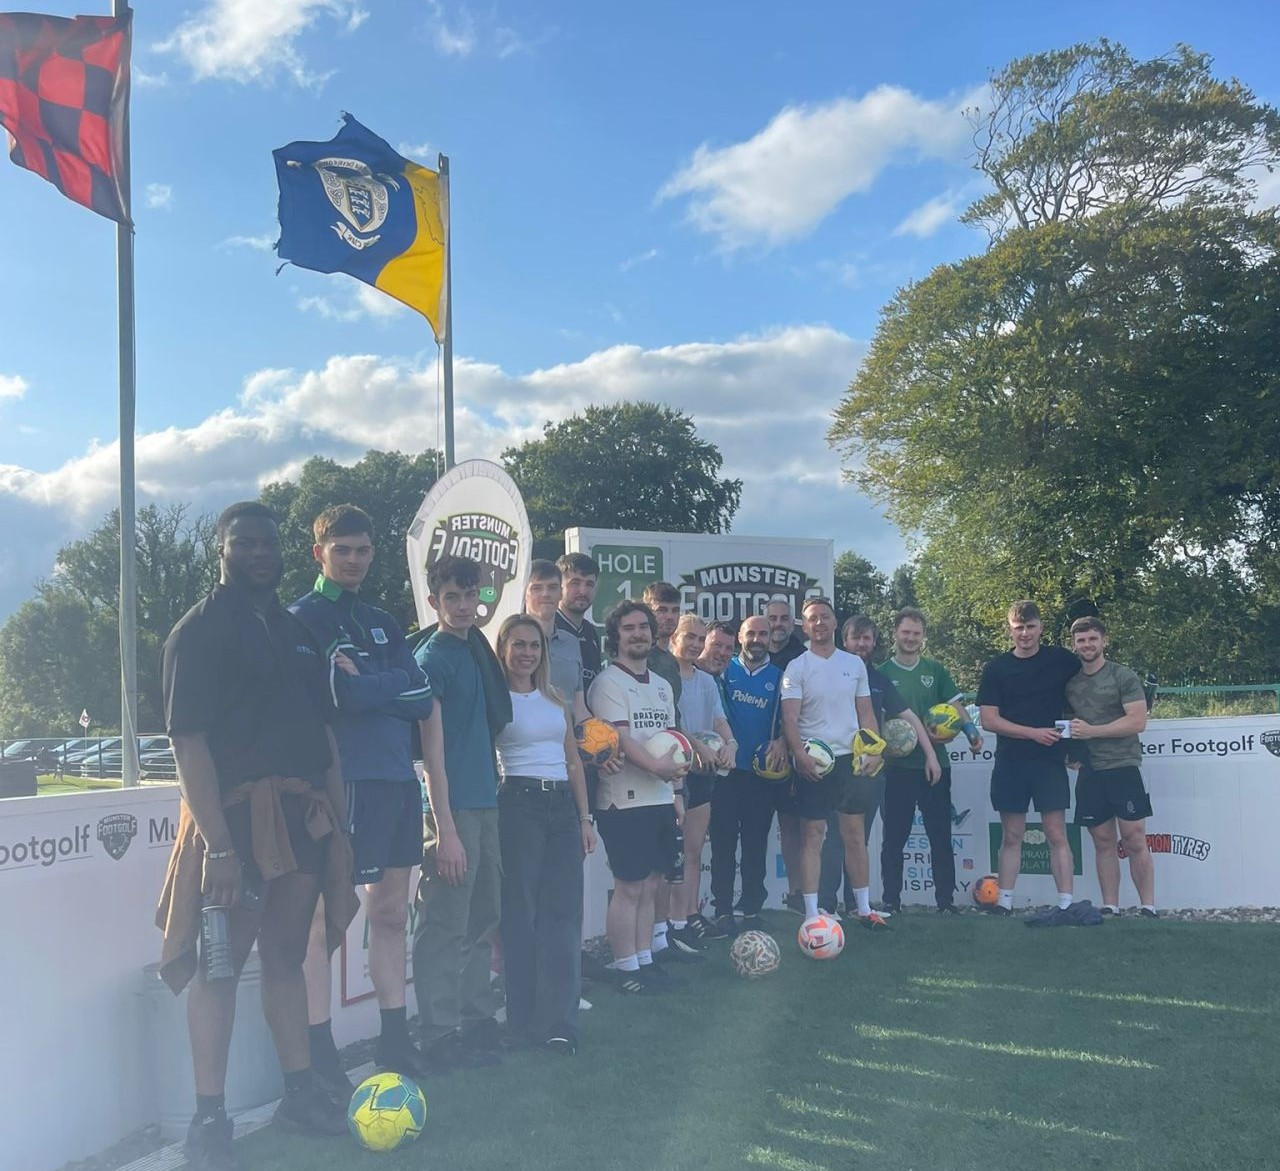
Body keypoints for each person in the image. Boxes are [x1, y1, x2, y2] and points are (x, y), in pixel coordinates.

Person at [155, 502, 357, 1171]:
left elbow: (324, 734)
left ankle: (299, 1094)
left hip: (304, 816)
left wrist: (340, 822)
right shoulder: (197, 631)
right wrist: (218, 845)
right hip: (234, 821)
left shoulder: (297, 632)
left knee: (287, 954)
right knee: (221, 966)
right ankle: (209, 1118)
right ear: (221, 549)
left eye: (268, 542)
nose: (259, 553)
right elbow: (188, 743)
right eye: (244, 542)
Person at [289, 506, 440, 1092]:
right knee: (324, 920)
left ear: (374, 553)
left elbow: (422, 697)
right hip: (342, 781)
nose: (354, 560)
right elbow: (338, 697)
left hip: (398, 780)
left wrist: (370, 684)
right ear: (319, 553)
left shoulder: (382, 621)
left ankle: (394, 1041)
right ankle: (319, 1054)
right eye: (342, 550)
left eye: (362, 550)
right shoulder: (304, 618)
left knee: (391, 913)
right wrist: (388, 685)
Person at [411, 555, 508, 1069]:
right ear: (434, 601)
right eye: (453, 597)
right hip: (452, 809)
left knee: (482, 916)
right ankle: (438, 1033)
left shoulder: (474, 648)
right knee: (446, 922)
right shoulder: (433, 659)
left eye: (471, 596)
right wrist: (444, 829)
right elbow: (430, 757)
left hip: (485, 801)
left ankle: (476, 1020)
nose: (465, 606)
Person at [493, 615, 597, 1054]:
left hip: (562, 810)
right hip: (518, 805)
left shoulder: (555, 698)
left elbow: (572, 761)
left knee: (563, 917)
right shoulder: (495, 700)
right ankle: (521, 1021)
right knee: (521, 916)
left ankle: (560, 1024)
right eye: (518, 645)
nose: (527, 653)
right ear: (503, 649)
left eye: (534, 645)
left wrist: (585, 818)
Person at [587, 600, 689, 994]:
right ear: (616, 637)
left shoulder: (662, 685)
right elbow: (621, 739)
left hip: (660, 797)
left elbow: (674, 740)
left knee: (652, 885)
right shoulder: (608, 682)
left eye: (643, 627)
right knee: (629, 887)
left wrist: (675, 790)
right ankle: (625, 966)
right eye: (628, 628)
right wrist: (658, 768)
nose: (638, 634)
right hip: (623, 800)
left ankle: (644, 959)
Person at [816, 614, 937, 916]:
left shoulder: (879, 681)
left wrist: (931, 756)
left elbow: (909, 717)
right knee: (835, 838)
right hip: (835, 769)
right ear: (845, 641)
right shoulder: (827, 673)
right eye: (856, 638)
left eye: (867, 638)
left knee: (859, 839)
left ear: (873, 643)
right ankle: (826, 906)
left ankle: (856, 906)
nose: (861, 644)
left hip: (869, 772)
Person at [779, 597, 886, 929]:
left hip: (850, 761)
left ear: (835, 622)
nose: (819, 623)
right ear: (805, 626)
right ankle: (813, 913)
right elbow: (790, 719)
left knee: (854, 835)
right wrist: (799, 755)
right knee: (813, 835)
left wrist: (874, 749)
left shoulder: (854, 664)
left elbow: (865, 712)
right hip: (815, 763)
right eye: (812, 618)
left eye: (824, 617)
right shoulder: (797, 667)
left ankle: (864, 909)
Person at [977, 601, 1081, 915]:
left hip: (1050, 762)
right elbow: (989, 720)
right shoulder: (996, 668)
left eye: (1030, 627)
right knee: (1012, 835)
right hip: (1011, 761)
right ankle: (1004, 901)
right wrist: (1032, 733)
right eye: (1018, 627)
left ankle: (1066, 904)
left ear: (1040, 628)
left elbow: (1090, 682)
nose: (1025, 633)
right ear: (1009, 630)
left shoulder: (1061, 659)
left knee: (1056, 833)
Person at [878, 608, 975, 914]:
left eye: (916, 633)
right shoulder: (882, 672)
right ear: (895, 633)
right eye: (906, 632)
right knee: (894, 837)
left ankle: (945, 902)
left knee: (940, 835)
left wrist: (971, 731)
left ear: (923, 637)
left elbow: (956, 706)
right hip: (897, 768)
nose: (911, 638)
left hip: (935, 765)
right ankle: (891, 901)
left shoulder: (935, 670)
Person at [1065, 617, 1157, 917]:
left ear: (1103, 640)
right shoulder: (1071, 683)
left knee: (1134, 839)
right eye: (1081, 640)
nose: (1087, 645)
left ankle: (1148, 907)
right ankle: (1110, 906)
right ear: (1073, 644)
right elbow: (1068, 726)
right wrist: (1070, 752)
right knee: (1103, 842)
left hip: (1122, 765)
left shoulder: (1123, 675)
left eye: (1092, 639)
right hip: (1090, 770)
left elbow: (1137, 721)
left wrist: (1093, 731)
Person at [710, 614, 785, 933]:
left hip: (760, 775)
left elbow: (789, 720)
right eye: (750, 633)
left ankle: (752, 908)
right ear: (740, 637)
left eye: (762, 634)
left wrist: (782, 740)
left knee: (756, 845)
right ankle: (722, 910)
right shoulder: (723, 670)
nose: (756, 640)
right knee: (723, 844)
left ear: (771, 638)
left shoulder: (780, 677)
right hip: (725, 772)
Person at [665, 615, 735, 950]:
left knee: (693, 851)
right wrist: (697, 746)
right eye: (688, 637)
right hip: (673, 772)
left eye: (699, 638)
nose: (694, 644)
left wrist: (731, 744)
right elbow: (672, 723)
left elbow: (719, 720)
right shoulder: (663, 677)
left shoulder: (706, 681)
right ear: (674, 638)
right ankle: (669, 923)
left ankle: (690, 916)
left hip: (703, 773)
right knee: (673, 854)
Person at [524, 559, 588, 721]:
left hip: (568, 734)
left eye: (552, 587)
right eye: (537, 588)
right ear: (524, 593)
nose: (545, 594)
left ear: (561, 593)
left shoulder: (572, 643)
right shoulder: (512, 642)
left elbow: (579, 707)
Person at [554, 552, 604, 697]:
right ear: (559, 586)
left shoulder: (590, 631)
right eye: (575, 583)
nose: (583, 591)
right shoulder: (547, 627)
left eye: (589, 584)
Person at [642, 581, 684, 703]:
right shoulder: (641, 656)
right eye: (662, 610)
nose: (670, 617)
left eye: (675, 610)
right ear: (648, 613)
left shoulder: (673, 661)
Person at [765, 598, 806, 670]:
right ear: (764, 624)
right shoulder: (753, 655)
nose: (778, 624)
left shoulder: (805, 659)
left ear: (792, 624)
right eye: (773, 618)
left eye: (784, 619)